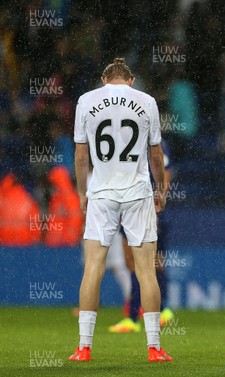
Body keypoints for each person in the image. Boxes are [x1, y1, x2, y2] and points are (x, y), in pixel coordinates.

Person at [70, 58, 172, 362]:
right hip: (138, 192)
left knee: (93, 269)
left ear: (104, 79)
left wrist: (81, 192)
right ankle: (154, 348)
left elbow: (81, 153)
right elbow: (156, 153)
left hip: (101, 193)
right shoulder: (147, 101)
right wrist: (161, 189)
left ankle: (83, 348)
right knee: (146, 271)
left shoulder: (86, 100)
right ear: (131, 80)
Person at [109, 140, 175, 333]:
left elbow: (166, 173)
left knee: (152, 262)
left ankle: (155, 310)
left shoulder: (157, 143)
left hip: (148, 207)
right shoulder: (129, 137)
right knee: (132, 261)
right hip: (128, 204)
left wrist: (159, 200)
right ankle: (148, 312)